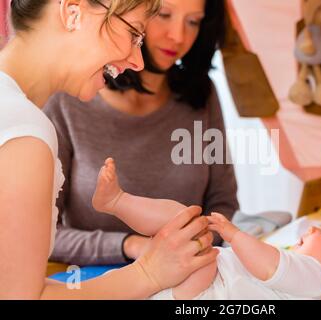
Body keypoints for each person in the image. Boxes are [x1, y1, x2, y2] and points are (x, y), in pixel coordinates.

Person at [0, 0, 217, 299]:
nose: (138, 61)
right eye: (133, 34)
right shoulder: (25, 132)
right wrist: (149, 273)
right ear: (72, 12)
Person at [43, 0, 238, 266]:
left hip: (189, 276)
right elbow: (41, 234)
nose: (178, 36)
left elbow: (223, 204)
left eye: (193, 21)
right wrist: (133, 247)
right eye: (164, 15)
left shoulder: (201, 95)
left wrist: (197, 243)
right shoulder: (65, 100)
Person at [93, 158, 321, 299]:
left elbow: (269, 267)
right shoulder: (304, 276)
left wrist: (234, 235)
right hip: (196, 285)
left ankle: (118, 201)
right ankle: (117, 201)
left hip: (206, 287)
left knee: (188, 226)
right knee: (185, 225)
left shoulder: (316, 278)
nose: (312, 230)